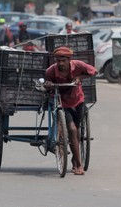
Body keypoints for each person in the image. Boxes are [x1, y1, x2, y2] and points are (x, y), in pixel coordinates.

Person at [44, 46, 97, 175]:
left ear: (69, 59)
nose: (61, 64)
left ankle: (75, 158)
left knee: (77, 129)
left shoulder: (78, 65)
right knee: (72, 129)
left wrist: (79, 77)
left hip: (77, 100)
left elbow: (93, 71)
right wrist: (48, 84)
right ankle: (79, 165)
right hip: (62, 103)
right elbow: (47, 82)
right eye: (58, 61)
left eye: (63, 60)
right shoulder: (51, 71)